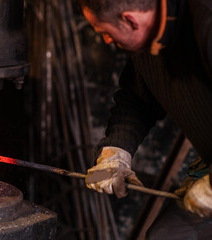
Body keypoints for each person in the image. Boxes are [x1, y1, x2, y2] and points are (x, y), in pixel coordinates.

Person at [79, 0, 212, 238]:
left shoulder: (206, 21)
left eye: (106, 33)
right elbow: (137, 99)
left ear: (130, 20)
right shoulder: (147, 43)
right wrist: (114, 153)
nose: (107, 41)